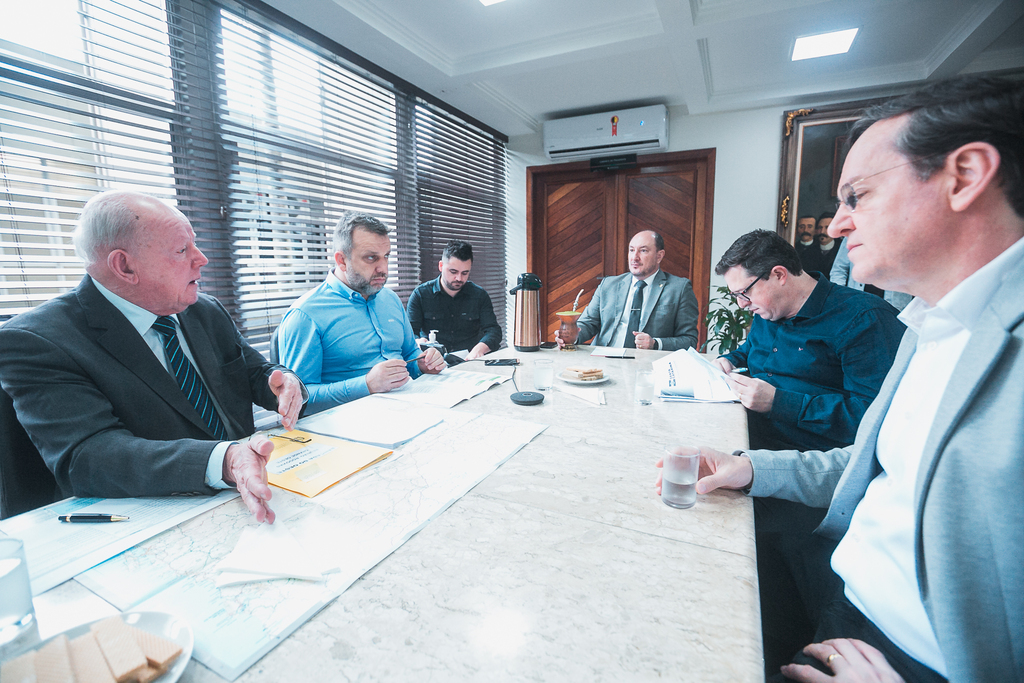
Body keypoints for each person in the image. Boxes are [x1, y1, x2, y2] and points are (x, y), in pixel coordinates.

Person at [660, 75, 1024, 683]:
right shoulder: (929, 322)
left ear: (965, 176)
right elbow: (871, 462)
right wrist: (750, 467)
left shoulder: (875, 322)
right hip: (850, 609)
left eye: (856, 196)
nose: (834, 226)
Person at [0, 191, 306, 524]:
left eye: (195, 244)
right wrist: (225, 459)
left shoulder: (204, 310)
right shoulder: (36, 341)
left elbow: (255, 371)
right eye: (181, 250)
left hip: (255, 491)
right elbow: (89, 456)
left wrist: (282, 381)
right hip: (156, 516)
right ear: (124, 265)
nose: (201, 259)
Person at [713, 229, 906, 673]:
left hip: (818, 476)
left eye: (744, 294)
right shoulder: (767, 311)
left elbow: (870, 423)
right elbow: (751, 352)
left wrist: (779, 402)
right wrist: (729, 359)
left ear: (778, 275)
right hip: (754, 447)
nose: (743, 307)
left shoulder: (864, 321)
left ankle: (761, 656)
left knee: (748, 559)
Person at [277, 212, 445, 414]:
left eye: (386, 256)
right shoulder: (305, 315)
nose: (383, 269)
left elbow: (410, 355)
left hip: (408, 408)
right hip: (347, 426)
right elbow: (298, 401)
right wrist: (366, 385)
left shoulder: (390, 299)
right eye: (371, 258)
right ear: (342, 260)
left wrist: (424, 364)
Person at [555, 230, 698, 351]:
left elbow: (689, 340)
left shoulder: (679, 288)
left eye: (643, 251)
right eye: (631, 250)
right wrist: (571, 336)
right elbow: (588, 323)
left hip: (648, 366)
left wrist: (655, 343)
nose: (634, 257)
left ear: (659, 256)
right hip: (603, 360)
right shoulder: (608, 285)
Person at [406, 240, 501, 360]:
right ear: (441, 266)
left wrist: (479, 349)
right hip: (434, 363)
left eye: (465, 273)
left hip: (469, 362)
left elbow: (494, 331)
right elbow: (409, 333)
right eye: (453, 272)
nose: (459, 278)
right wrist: (418, 341)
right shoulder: (420, 295)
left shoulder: (479, 295)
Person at [831, 239, 913, 311]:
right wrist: (841, 296)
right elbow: (839, 269)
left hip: (896, 304)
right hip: (858, 301)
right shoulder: (854, 235)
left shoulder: (905, 233)